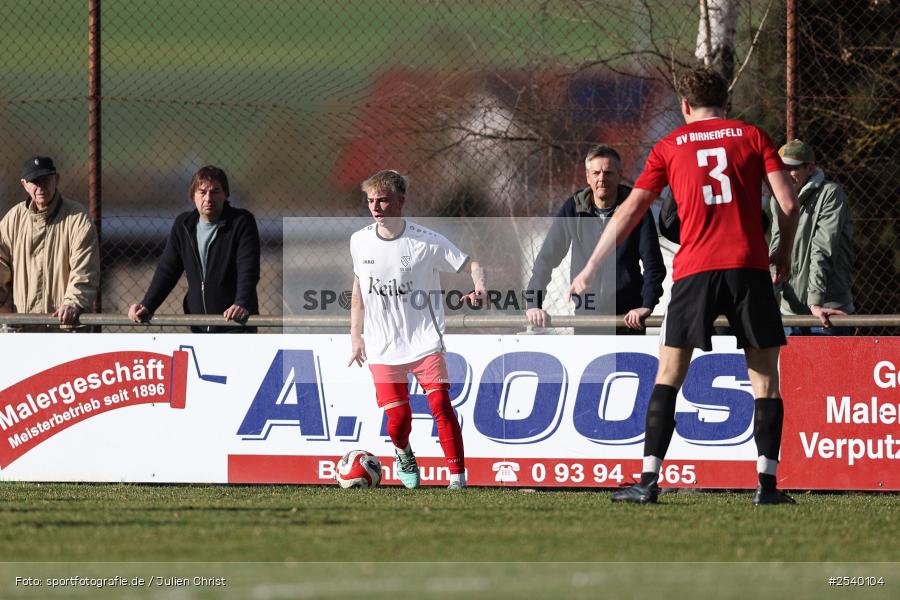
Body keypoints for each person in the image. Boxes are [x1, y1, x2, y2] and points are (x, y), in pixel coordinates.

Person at [569, 68, 800, 505]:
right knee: (765, 381)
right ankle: (767, 486)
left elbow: (632, 209)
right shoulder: (753, 136)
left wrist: (589, 267)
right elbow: (788, 202)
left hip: (694, 271)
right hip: (749, 268)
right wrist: (783, 251)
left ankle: (648, 481)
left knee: (669, 376)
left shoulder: (669, 146)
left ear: (684, 107)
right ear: (726, 102)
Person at [347, 170, 485, 490]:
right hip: (382, 345)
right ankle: (403, 452)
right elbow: (358, 290)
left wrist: (479, 288)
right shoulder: (359, 240)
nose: (376, 207)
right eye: (370, 201)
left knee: (440, 406)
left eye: (383, 200)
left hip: (424, 340)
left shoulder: (427, 241)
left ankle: (457, 480)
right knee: (398, 421)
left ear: (400, 201)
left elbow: (473, 265)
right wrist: (356, 336)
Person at [525, 145, 665, 334]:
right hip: (586, 319)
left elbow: (653, 265)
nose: (602, 179)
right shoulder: (573, 209)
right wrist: (533, 303)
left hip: (627, 320)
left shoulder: (635, 211)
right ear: (587, 176)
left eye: (608, 173)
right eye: (596, 173)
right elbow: (546, 259)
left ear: (619, 175)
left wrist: (646, 305)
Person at [128, 165, 260, 333]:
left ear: (226, 195)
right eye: (202, 192)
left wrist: (241, 303)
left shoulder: (242, 222)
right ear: (193, 196)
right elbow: (168, 270)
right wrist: (147, 304)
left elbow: (248, 268)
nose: (208, 198)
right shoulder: (183, 226)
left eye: (215, 192)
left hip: (235, 325)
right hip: (198, 326)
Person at [0, 156, 99, 329]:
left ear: (57, 179)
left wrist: (73, 303)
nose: (40, 187)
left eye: (45, 180)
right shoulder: (12, 220)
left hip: (64, 329)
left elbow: (85, 270)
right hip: (23, 329)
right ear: (24, 184)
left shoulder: (77, 219)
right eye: (34, 181)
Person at [770, 139, 854, 335]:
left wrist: (815, 302)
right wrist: (769, 293)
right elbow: (776, 249)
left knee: (830, 367)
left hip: (828, 311)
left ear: (809, 168)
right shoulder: (778, 198)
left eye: (792, 168)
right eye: (781, 168)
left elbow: (822, 249)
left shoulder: (831, 194)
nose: (785, 173)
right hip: (790, 311)